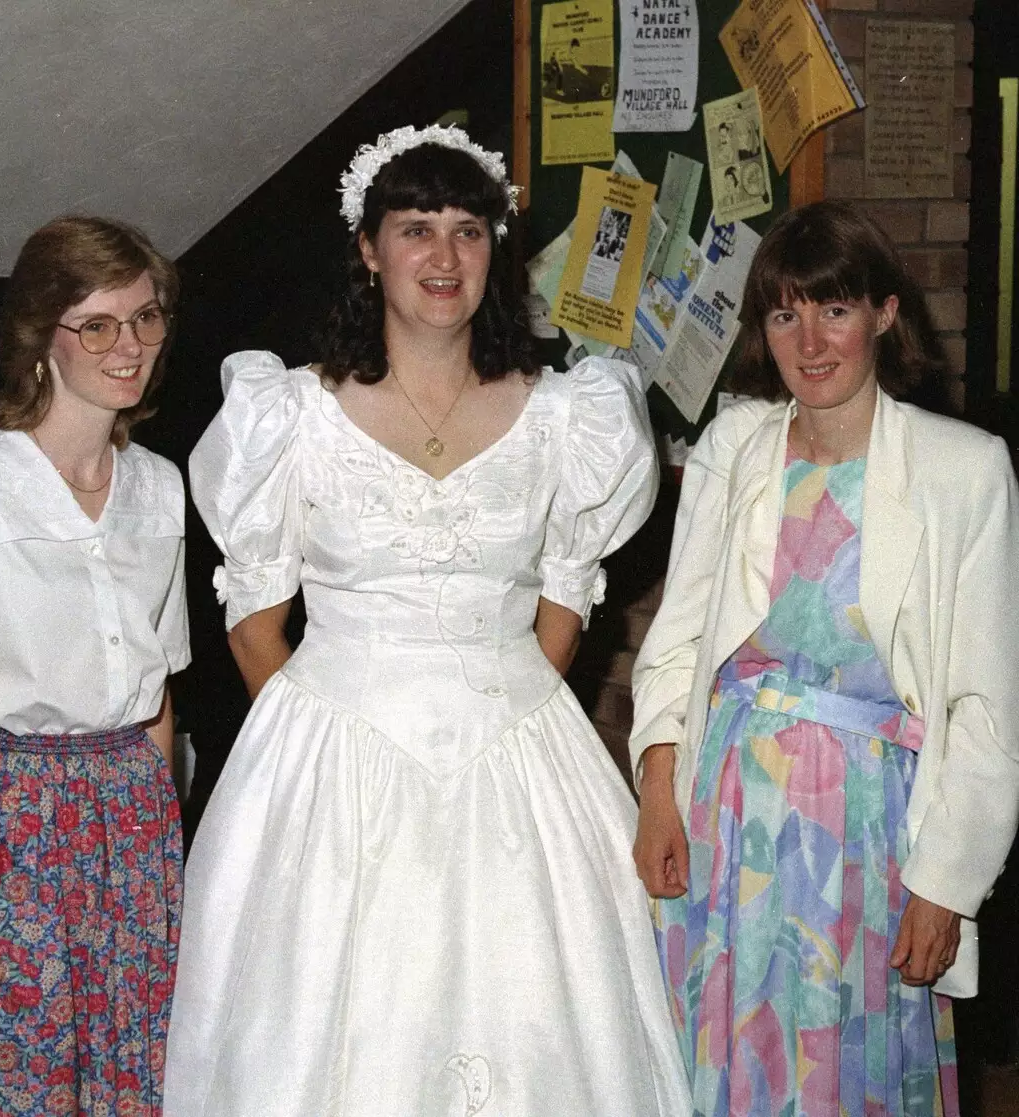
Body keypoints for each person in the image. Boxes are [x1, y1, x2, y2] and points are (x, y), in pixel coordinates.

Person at [165, 124, 690, 1115]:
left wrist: (495, 704)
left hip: (517, 761)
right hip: (333, 759)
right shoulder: (293, 414)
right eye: (414, 229)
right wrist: (327, 743)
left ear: (494, 246)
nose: (443, 258)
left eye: (466, 229)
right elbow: (252, 618)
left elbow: (565, 597)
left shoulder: (562, 415)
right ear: (368, 250)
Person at [631, 200, 1019, 1115]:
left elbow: (986, 709)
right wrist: (657, 792)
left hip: (872, 838)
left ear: (885, 313)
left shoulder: (966, 470)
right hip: (728, 819)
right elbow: (676, 641)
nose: (810, 340)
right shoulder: (734, 448)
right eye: (784, 313)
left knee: (847, 1076)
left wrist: (946, 884)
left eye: (835, 309)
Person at [0, 216, 190, 1115]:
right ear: (40, 339)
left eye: (145, 318)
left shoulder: (160, 486)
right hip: (13, 830)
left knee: (138, 1075)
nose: (128, 346)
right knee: (17, 1075)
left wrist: (164, 864)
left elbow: (159, 694)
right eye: (97, 324)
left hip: (131, 823)